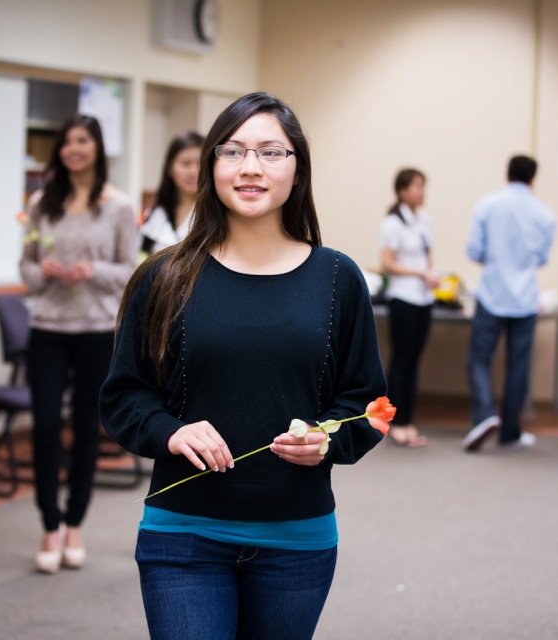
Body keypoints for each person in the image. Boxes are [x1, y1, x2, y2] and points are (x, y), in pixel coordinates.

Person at [99, 92, 387, 639]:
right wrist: (172, 431)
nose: (250, 167)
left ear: (297, 170)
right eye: (232, 152)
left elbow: (368, 405)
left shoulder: (336, 279)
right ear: (211, 167)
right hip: (182, 533)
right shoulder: (165, 276)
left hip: (296, 538)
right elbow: (124, 395)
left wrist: (329, 441)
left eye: (271, 153)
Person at [19, 114, 137, 573]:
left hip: (96, 329)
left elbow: (130, 268)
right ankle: (50, 522)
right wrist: (41, 271)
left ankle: (75, 524)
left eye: (83, 141)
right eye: (67, 141)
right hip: (47, 327)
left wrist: (95, 270)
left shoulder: (118, 206)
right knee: (46, 426)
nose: (74, 148)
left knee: (87, 428)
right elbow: (24, 269)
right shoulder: (40, 204)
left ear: (96, 148)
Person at [461, 155, 556, 452]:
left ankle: (485, 415)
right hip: (525, 298)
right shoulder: (544, 214)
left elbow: (474, 250)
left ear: (507, 174)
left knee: (478, 359)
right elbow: (541, 259)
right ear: (533, 178)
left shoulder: (488, 205)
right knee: (518, 367)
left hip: (491, 294)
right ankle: (511, 433)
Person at [379, 168, 439, 448]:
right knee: (401, 361)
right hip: (402, 298)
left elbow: (427, 256)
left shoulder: (424, 220)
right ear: (402, 191)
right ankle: (395, 423)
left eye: (423, 186)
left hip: (424, 299)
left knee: (415, 361)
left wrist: (431, 276)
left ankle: (408, 420)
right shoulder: (393, 223)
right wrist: (418, 274)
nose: (421, 191)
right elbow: (386, 264)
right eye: (416, 186)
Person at [139, 130, 204, 257]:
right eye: (186, 163)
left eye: (200, 163)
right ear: (169, 168)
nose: (194, 171)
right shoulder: (153, 216)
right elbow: (142, 259)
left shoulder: (218, 214)